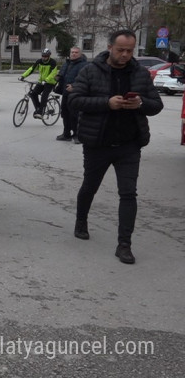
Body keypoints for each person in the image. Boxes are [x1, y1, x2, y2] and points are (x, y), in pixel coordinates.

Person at [68, 29, 163, 265]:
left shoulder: (140, 74)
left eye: (129, 51)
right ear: (110, 47)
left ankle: (124, 245)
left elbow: (156, 105)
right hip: (98, 144)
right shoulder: (90, 70)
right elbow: (75, 101)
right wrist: (106, 103)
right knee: (90, 186)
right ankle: (81, 220)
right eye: (121, 50)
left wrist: (139, 104)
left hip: (129, 145)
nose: (125, 55)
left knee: (128, 193)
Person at [54, 46, 88, 142]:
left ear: (80, 54)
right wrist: (58, 78)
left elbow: (85, 80)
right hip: (65, 93)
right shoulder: (67, 63)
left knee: (75, 115)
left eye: (76, 52)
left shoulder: (84, 65)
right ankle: (66, 134)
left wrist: (74, 86)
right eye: (72, 52)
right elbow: (62, 75)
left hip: (76, 94)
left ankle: (77, 135)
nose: (73, 54)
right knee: (65, 113)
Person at [20, 48, 59, 119]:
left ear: (49, 56)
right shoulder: (39, 61)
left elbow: (53, 73)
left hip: (50, 82)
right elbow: (31, 69)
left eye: (46, 56)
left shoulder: (52, 62)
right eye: (43, 56)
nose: (44, 57)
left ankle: (41, 112)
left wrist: (46, 80)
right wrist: (23, 76)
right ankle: (38, 108)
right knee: (33, 93)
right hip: (41, 82)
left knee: (44, 95)